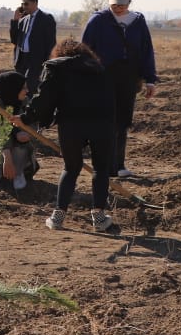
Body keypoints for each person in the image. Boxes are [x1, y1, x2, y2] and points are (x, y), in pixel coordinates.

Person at [24, 40, 116, 233]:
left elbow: (44, 98)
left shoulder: (55, 68)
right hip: (103, 122)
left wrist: (27, 117)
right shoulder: (99, 68)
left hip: (72, 125)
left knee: (71, 168)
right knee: (101, 168)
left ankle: (58, 217)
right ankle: (99, 218)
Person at [81, 0, 158, 179]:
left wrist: (150, 79)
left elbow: (146, 51)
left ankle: (118, 165)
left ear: (129, 2)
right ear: (109, 3)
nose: (118, 8)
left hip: (129, 78)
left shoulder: (138, 21)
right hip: (103, 76)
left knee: (122, 122)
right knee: (105, 121)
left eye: (122, 5)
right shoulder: (98, 21)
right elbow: (85, 50)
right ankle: (102, 165)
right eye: (115, 5)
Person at [0, 70, 34, 191]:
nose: (27, 91)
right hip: (0, 142)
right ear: (12, 90)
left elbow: (34, 123)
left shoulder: (25, 102)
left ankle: (18, 173)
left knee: (21, 146)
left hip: (18, 143)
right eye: (23, 88)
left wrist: (28, 134)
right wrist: (7, 160)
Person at [11, 0, 58, 95]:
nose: (24, 7)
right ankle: (22, 109)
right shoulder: (23, 20)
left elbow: (51, 43)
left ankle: (31, 109)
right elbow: (14, 40)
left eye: (26, 4)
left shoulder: (46, 19)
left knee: (31, 87)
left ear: (35, 3)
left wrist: (47, 62)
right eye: (22, 4)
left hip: (36, 60)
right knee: (19, 88)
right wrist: (15, 21)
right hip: (21, 60)